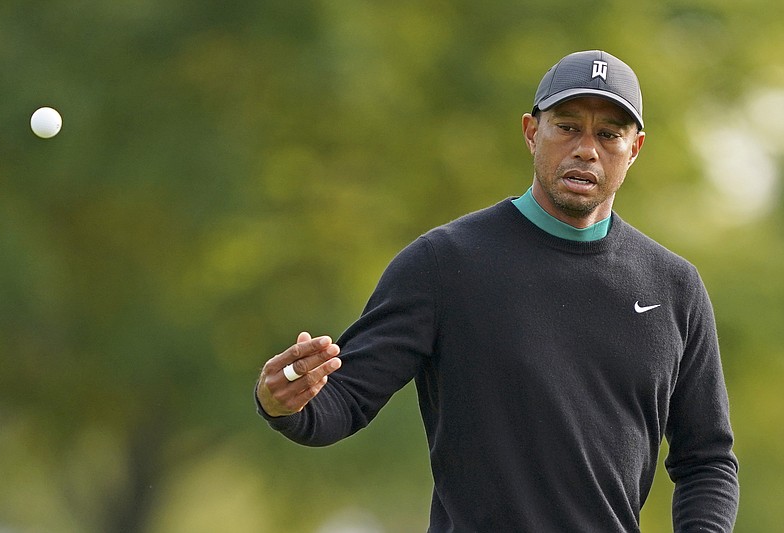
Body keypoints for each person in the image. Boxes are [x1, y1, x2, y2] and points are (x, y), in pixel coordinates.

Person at [255, 50, 740, 532]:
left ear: (633, 150)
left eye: (608, 134)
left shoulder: (675, 288)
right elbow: (343, 402)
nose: (586, 149)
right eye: (567, 127)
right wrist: (283, 402)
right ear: (532, 132)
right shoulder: (445, 263)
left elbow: (708, 460)